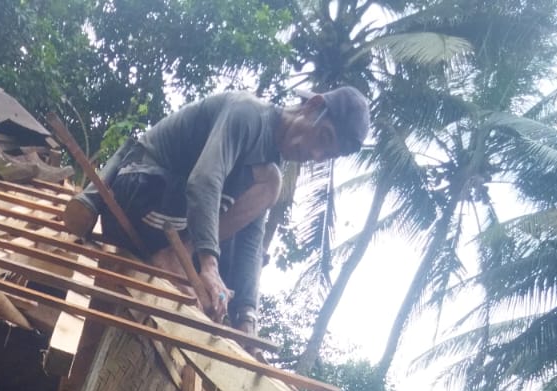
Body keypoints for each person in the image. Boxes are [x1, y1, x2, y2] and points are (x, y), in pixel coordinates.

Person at [61, 89, 371, 335]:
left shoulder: (268, 163)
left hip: (167, 222)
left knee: (224, 282)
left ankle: (181, 262)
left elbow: (251, 239)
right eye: (323, 138)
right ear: (313, 106)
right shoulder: (249, 114)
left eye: (326, 155)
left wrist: (247, 316)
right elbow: (204, 180)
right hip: (139, 189)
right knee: (269, 184)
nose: (315, 154)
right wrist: (208, 265)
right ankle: (176, 259)